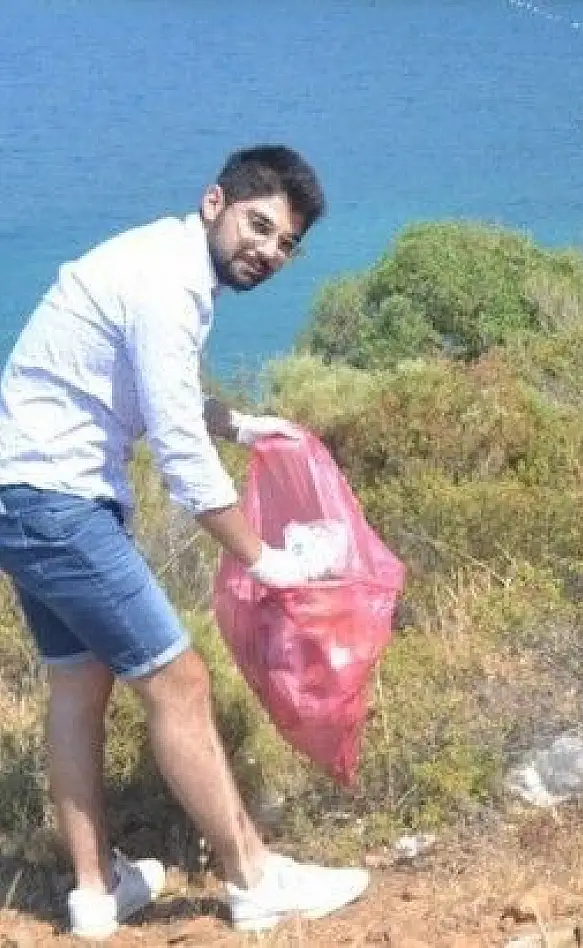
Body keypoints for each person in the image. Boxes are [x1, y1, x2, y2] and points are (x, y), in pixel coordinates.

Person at [0, 145, 371, 937]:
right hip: (58, 505)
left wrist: (239, 422)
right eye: (258, 225)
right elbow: (181, 462)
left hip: (21, 495)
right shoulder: (169, 286)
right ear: (215, 202)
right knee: (181, 683)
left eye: (285, 244)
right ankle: (254, 878)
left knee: (78, 686)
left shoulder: (160, 262)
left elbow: (153, 387)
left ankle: (96, 897)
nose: (268, 251)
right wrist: (265, 559)